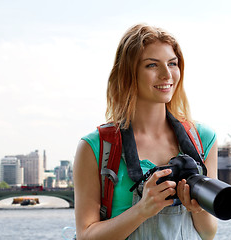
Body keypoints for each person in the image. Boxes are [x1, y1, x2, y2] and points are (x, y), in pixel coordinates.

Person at [73, 23, 218, 240]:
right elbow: (86, 235)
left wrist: (196, 208)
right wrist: (143, 209)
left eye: (172, 63)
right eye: (152, 65)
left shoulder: (203, 139)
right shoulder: (97, 146)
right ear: (128, 73)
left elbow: (208, 232)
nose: (166, 74)